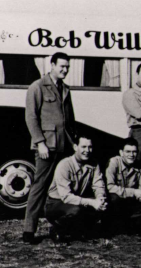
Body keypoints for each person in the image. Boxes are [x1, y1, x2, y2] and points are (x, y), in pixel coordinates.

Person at [23, 52, 76, 244]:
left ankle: (61, 227)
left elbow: (69, 122)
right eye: (61, 66)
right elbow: (31, 117)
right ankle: (29, 230)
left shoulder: (65, 89)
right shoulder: (37, 87)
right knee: (39, 187)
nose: (65, 70)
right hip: (47, 146)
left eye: (67, 67)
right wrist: (40, 142)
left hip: (64, 147)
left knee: (62, 187)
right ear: (52, 65)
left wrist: (74, 144)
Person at [44, 135, 107, 242]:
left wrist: (100, 198)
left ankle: (78, 230)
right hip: (56, 203)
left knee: (102, 205)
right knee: (76, 210)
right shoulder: (64, 165)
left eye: (90, 147)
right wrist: (92, 203)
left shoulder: (94, 163)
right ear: (75, 147)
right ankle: (57, 228)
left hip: (76, 201)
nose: (87, 150)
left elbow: (98, 184)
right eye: (83, 147)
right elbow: (66, 197)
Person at [105, 138, 141, 234]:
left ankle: (129, 224)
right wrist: (134, 192)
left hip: (133, 201)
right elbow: (110, 187)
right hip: (119, 200)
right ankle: (118, 224)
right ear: (121, 152)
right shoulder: (114, 163)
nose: (131, 155)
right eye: (128, 151)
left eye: (134, 152)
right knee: (113, 198)